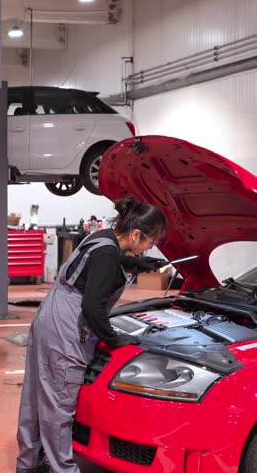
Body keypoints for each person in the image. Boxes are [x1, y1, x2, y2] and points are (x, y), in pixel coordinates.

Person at [16, 197, 168, 473]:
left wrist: (135, 263)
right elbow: (92, 308)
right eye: (150, 243)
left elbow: (104, 264)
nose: (150, 247)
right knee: (59, 405)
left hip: (50, 316)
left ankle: (28, 463)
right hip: (66, 327)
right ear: (136, 234)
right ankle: (62, 468)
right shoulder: (108, 256)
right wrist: (114, 339)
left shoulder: (102, 238)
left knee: (36, 395)